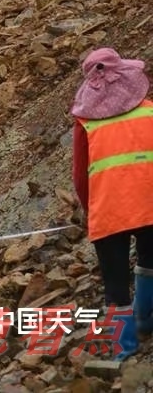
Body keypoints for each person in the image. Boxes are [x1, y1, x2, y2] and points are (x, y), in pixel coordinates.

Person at [70, 47, 153, 361]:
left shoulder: (86, 123)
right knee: (149, 262)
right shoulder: (149, 111)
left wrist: (88, 210)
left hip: (108, 212)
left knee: (115, 284)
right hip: (149, 204)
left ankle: (124, 350)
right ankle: (146, 319)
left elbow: (80, 177)